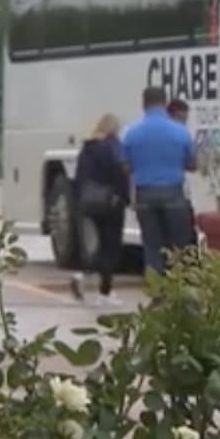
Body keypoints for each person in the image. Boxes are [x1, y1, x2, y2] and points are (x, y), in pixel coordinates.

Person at [122, 87, 196, 274]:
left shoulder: (131, 133)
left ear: (143, 104)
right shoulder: (180, 131)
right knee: (179, 246)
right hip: (174, 193)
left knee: (152, 245)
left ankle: (156, 285)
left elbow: (126, 167)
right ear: (164, 103)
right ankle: (178, 284)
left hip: (144, 194)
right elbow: (192, 164)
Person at [70, 113, 130, 307]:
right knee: (111, 248)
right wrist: (125, 198)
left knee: (100, 245)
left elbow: (79, 177)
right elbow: (120, 174)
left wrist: (80, 200)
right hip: (111, 203)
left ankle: (83, 275)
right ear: (114, 129)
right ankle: (105, 292)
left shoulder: (87, 148)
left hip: (90, 203)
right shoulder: (114, 147)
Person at [166, 98, 200, 249]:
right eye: (182, 119)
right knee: (184, 237)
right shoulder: (181, 135)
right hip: (176, 193)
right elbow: (192, 165)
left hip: (153, 192)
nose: (184, 123)